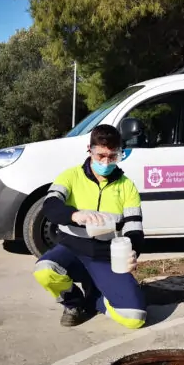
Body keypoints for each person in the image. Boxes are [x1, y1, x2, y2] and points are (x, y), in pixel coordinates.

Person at [32, 124, 147, 328]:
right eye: (100, 155)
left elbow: (134, 228)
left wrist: (133, 253)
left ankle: (95, 300)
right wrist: (75, 214)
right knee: (44, 269)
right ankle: (73, 302)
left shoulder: (127, 186)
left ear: (121, 154)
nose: (106, 161)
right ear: (90, 150)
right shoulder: (70, 176)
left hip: (106, 256)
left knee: (135, 318)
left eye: (113, 156)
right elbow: (50, 205)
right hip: (71, 250)